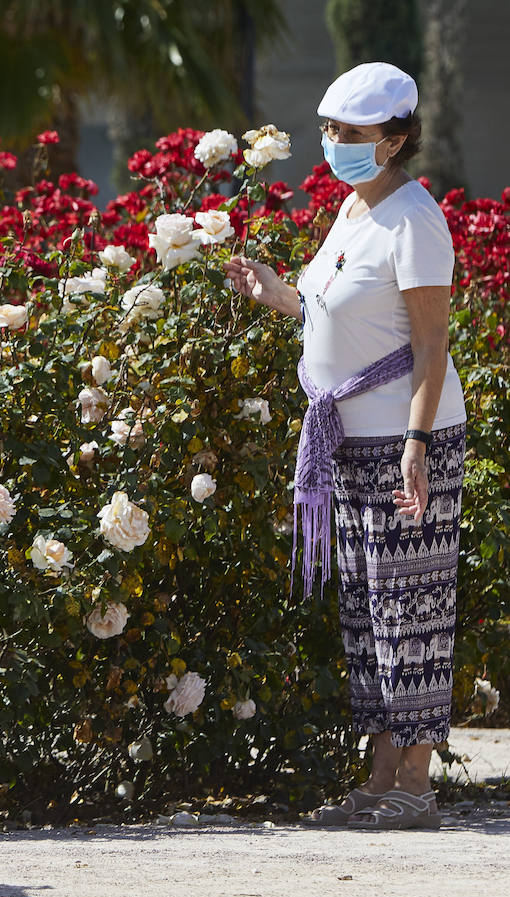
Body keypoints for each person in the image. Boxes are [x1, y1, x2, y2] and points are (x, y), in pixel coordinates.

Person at [224, 62, 464, 830]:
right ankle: (381, 777)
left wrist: (419, 443)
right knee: (368, 612)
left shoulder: (415, 218)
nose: (334, 145)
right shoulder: (353, 211)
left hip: (404, 438)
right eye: (329, 131)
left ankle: (416, 787)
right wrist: (277, 295)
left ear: (395, 141)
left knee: (412, 610)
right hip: (348, 441)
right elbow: (335, 314)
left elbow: (431, 346)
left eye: (352, 135)